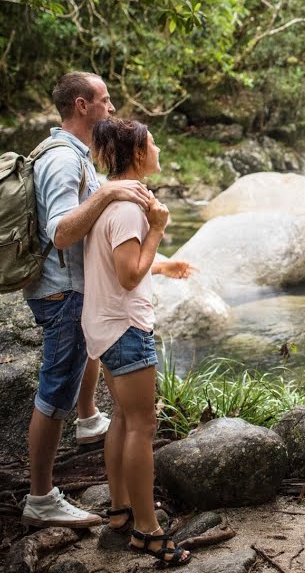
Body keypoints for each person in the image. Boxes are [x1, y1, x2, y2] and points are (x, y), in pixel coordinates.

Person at [20, 72, 153, 528]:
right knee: (54, 389)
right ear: (82, 106)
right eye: (105, 100)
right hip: (61, 292)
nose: (111, 108)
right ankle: (41, 496)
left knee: (79, 369)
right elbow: (60, 232)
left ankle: (89, 418)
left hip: (72, 291)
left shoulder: (76, 155)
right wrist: (110, 191)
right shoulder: (61, 159)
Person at [84, 116, 195, 567]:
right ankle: (147, 532)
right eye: (153, 143)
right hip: (126, 327)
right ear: (136, 154)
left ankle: (120, 509)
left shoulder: (109, 200)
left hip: (105, 325)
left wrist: (162, 265)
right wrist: (158, 230)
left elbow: (122, 266)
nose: (159, 149)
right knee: (143, 427)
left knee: (123, 421)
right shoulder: (131, 208)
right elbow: (128, 275)